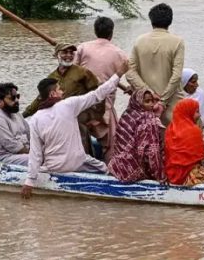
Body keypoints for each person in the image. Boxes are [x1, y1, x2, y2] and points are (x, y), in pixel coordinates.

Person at [21, 62, 128, 199]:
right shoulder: (69, 105)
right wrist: (118, 74)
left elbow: (35, 154)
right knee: (105, 168)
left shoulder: (35, 119)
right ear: (53, 94)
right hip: (77, 162)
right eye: (59, 89)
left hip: (54, 167)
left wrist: (29, 181)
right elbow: (98, 94)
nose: (62, 92)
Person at [23, 43, 104, 155]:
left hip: (79, 115)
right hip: (59, 115)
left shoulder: (83, 73)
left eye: (71, 53)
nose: (69, 55)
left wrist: (95, 116)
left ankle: (84, 158)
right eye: (65, 52)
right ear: (56, 55)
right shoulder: (52, 77)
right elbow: (40, 99)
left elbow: (99, 93)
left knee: (79, 135)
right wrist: (23, 115)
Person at [74, 16, 129, 162]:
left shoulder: (82, 48)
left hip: (82, 103)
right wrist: (131, 89)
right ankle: (110, 167)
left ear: (95, 31)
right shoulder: (120, 54)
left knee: (80, 137)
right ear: (111, 33)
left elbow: (71, 71)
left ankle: (82, 163)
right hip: (104, 105)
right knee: (111, 144)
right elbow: (130, 76)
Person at [126, 3, 185, 125]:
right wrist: (162, 102)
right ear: (170, 21)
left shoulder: (139, 41)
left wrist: (148, 93)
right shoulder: (177, 42)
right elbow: (177, 76)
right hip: (172, 106)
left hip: (145, 104)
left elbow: (130, 73)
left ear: (151, 21)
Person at [108, 89, 165, 183]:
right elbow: (151, 152)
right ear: (138, 102)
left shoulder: (126, 114)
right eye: (147, 101)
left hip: (116, 167)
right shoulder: (148, 118)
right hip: (135, 171)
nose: (151, 104)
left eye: (152, 101)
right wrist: (160, 176)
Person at [165, 99, 204, 186]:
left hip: (170, 176)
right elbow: (201, 157)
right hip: (187, 177)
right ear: (188, 112)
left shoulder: (169, 129)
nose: (199, 115)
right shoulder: (194, 131)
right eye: (197, 112)